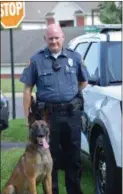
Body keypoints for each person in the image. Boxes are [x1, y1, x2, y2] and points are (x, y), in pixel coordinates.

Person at [20, 24, 88, 194]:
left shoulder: (76, 57)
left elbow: (83, 82)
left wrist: (69, 95)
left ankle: (74, 191)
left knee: (73, 157)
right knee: (51, 158)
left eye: (57, 37)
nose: (54, 41)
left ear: (63, 37)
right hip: (48, 117)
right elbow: (27, 89)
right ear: (45, 39)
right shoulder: (36, 60)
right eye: (50, 38)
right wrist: (26, 118)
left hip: (72, 115)